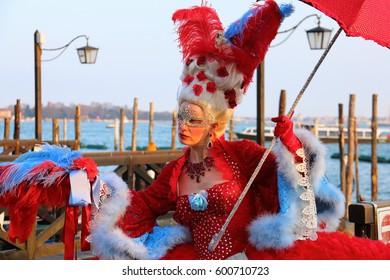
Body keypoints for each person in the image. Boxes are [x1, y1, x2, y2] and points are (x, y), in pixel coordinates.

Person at [88, 0, 390, 260]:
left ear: (214, 124)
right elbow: (140, 205)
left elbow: (287, 188)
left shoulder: (242, 155)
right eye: (180, 117)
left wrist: (291, 146)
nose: (183, 125)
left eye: (193, 119)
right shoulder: (174, 172)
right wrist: (96, 184)